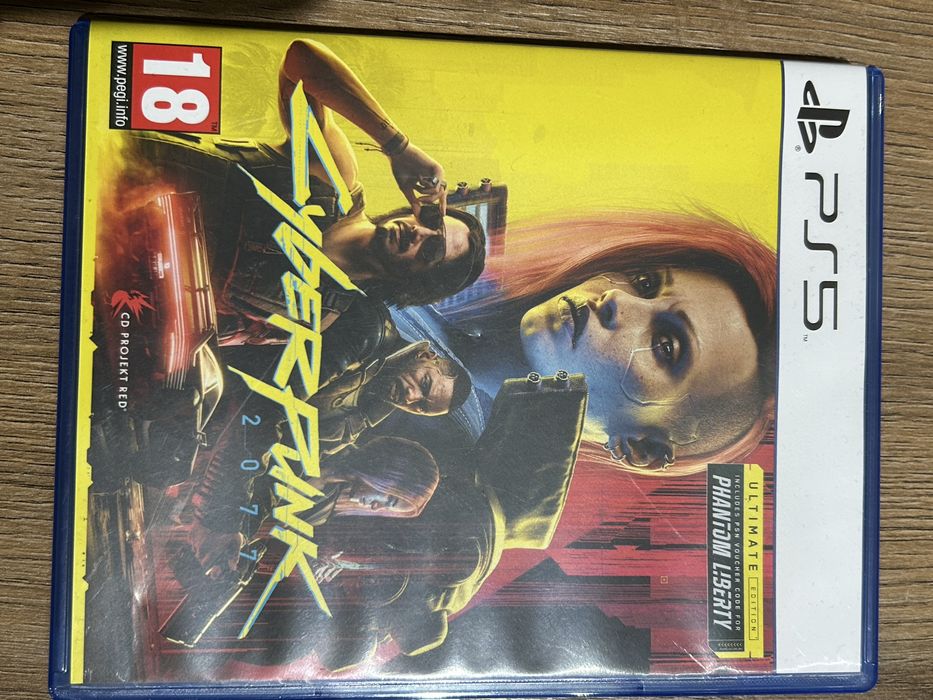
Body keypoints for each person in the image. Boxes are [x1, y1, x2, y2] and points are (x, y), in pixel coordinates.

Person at [124, 38, 486, 342]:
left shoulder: (313, 315)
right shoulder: (332, 178)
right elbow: (300, 59)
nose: (419, 233)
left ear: (418, 283)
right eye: (432, 220)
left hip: (112, 261)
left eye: (432, 249)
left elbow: (191, 337)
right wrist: (397, 147)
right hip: (116, 167)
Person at [396, 211, 776, 475]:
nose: (617, 300)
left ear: (639, 447)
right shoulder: (446, 285)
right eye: (645, 284)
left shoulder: (444, 456)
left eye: (665, 346)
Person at [312, 339, 474, 455]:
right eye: (425, 384)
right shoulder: (371, 337)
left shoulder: (360, 423)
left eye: (421, 406)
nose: (411, 397)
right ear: (425, 355)